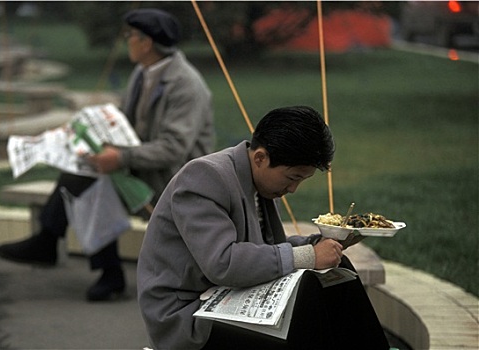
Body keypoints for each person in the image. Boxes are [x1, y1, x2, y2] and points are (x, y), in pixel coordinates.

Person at [0, 8, 214, 302]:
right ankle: (78, 257)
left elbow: (174, 147)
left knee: (93, 182)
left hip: (174, 179)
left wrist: (120, 158)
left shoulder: (187, 86)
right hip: (142, 167)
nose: (127, 41)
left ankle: (66, 250)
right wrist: (88, 137)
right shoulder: (143, 73)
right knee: (84, 169)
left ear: (146, 42)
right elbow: (122, 123)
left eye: (130, 36)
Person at [137, 106, 390, 349]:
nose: (293, 189)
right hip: (188, 316)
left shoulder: (260, 183)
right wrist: (310, 256)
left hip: (228, 295)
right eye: (293, 178)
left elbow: (266, 251)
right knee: (306, 301)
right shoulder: (205, 176)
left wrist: (325, 243)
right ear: (260, 157)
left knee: (339, 269)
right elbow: (224, 263)